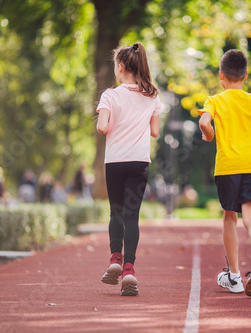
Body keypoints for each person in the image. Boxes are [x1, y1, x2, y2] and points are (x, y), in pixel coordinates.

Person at [198, 49, 251, 297]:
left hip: (228, 167)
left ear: (222, 76)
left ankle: (234, 277)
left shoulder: (215, 100)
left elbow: (204, 122)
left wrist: (208, 135)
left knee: (229, 217)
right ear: (245, 75)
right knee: (250, 217)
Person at [96, 42, 161, 296]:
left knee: (116, 213)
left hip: (115, 162)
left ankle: (115, 258)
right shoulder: (152, 95)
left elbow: (102, 127)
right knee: (132, 216)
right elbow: (155, 131)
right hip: (138, 162)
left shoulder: (110, 95)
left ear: (121, 67)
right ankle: (129, 271)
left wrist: (114, 124)